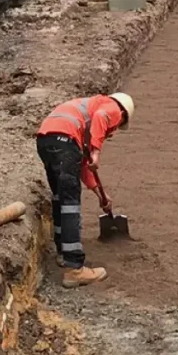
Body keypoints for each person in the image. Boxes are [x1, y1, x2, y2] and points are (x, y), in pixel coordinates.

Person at [35, 92, 134, 287]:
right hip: (64, 139)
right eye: (115, 129)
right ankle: (75, 269)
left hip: (46, 140)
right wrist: (96, 152)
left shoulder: (83, 120)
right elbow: (101, 118)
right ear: (123, 115)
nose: (111, 133)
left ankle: (63, 253)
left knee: (59, 197)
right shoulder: (112, 107)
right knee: (70, 203)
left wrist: (101, 194)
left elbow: (81, 166)